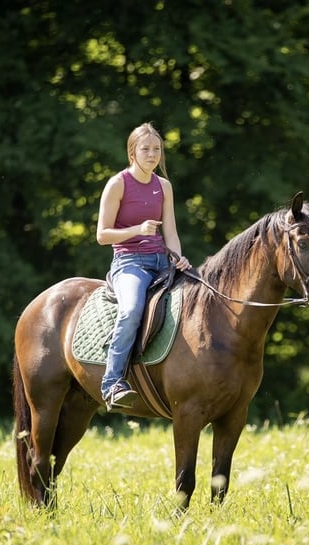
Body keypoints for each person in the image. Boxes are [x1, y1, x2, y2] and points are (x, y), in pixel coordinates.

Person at [96, 122, 192, 411]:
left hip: (162, 262)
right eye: (145, 149)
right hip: (128, 263)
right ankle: (111, 383)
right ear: (132, 152)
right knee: (131, 309)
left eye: (157, 149)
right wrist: (136, 229)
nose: (152, 154)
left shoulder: (164, 186)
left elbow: (170, 233)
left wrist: (179, 257)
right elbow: (102, 235)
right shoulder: (118, 184)